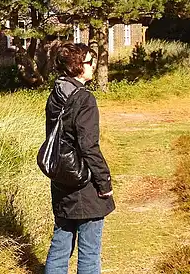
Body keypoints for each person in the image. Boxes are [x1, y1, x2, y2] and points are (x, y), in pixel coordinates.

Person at [44, 43, 115, 274]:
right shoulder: (84, 99)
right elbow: (88, 146)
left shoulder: (56, 93)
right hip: (85, 182)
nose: (93, 66)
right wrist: (104, 183)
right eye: (88, 62)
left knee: (61, 243)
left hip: (61, 176)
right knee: (90, 251)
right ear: (77, 66)